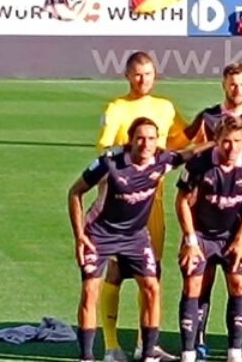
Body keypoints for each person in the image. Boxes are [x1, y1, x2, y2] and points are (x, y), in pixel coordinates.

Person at [68, 118, 191, 362]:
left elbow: (189, 153)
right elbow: (75, 192)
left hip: (135, 236)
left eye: (152, 139)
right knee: (91, 290)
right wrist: (80, 235)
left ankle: (148, 353)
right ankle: (87, 356)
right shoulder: (110, 163)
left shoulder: (162, 161)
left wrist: (217, 142)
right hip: (99, 235)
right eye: (141, 138)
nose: (146, 144)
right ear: (131, 140)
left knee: (152, 288)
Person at [96, 52, 191, 362]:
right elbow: (104, 147)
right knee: (114, 271)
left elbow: (182, 139)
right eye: (137, 74)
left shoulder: (165, 108)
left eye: (148, 74)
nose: (143, 80)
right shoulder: (117, 108)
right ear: (127, 76)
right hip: (120, 206)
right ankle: (111, 346)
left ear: (156, 75)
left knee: (151, 275)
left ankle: (145, 345)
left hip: (154, 206)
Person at [184, 63, 242, 359]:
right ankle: (197, 342)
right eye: (232, 84)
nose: (237, 89)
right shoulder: (209, 117)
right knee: (204, 277)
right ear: (224, 85)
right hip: (209, 210)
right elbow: (188, 147)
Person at [176, 116, 242, 362]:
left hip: (231, 236)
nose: (232, 148)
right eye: (226, 141)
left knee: (239, 285)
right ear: (216, 140)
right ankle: (188, 352)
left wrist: (241, 240)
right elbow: (182, 202)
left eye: (238, 141)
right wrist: (191, 241)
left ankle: (235, 352)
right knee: (194, 286)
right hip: (201, 236)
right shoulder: (199, 164)